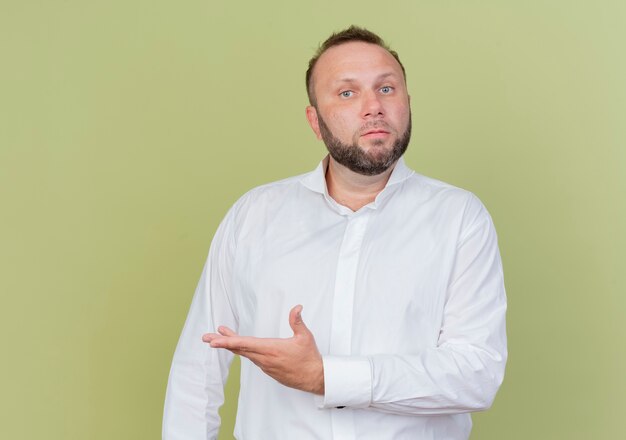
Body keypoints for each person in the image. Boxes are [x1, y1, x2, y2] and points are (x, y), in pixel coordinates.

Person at [163, 26, 507, 440]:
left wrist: (327, 377)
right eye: (347, 93)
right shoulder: (253, 216)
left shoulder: (459, 218)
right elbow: (197, 371)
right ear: (315, 120)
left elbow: (476, 374)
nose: (373, 107)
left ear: (408, 103)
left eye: (386, 89)